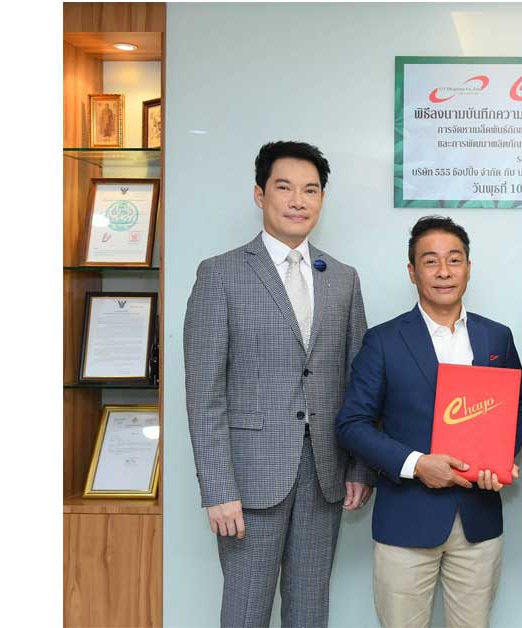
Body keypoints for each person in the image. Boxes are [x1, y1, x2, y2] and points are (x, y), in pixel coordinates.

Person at [184, 140, 375, 628]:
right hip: (249, 482)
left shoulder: (343, 278)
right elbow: (204, 396)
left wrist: (359, 467)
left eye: (310, 190)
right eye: (284, 188)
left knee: (310, 612)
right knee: (245, 612)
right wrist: (218, 489)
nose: (297, 201)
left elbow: (358, 382)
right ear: (260, 194)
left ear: (322, 199)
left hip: (324, 475)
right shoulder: (220, 274)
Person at [335, 216, 522, 628]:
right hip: (406, 520)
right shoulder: (383, 341)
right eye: (430, 261)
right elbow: (352, 423)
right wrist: (416, 464)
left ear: (468, 268)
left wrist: (499, 458)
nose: (444, 271)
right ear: (412, 271)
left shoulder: (496, 337)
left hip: (478, 521)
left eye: (454, 260)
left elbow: (521, 407)